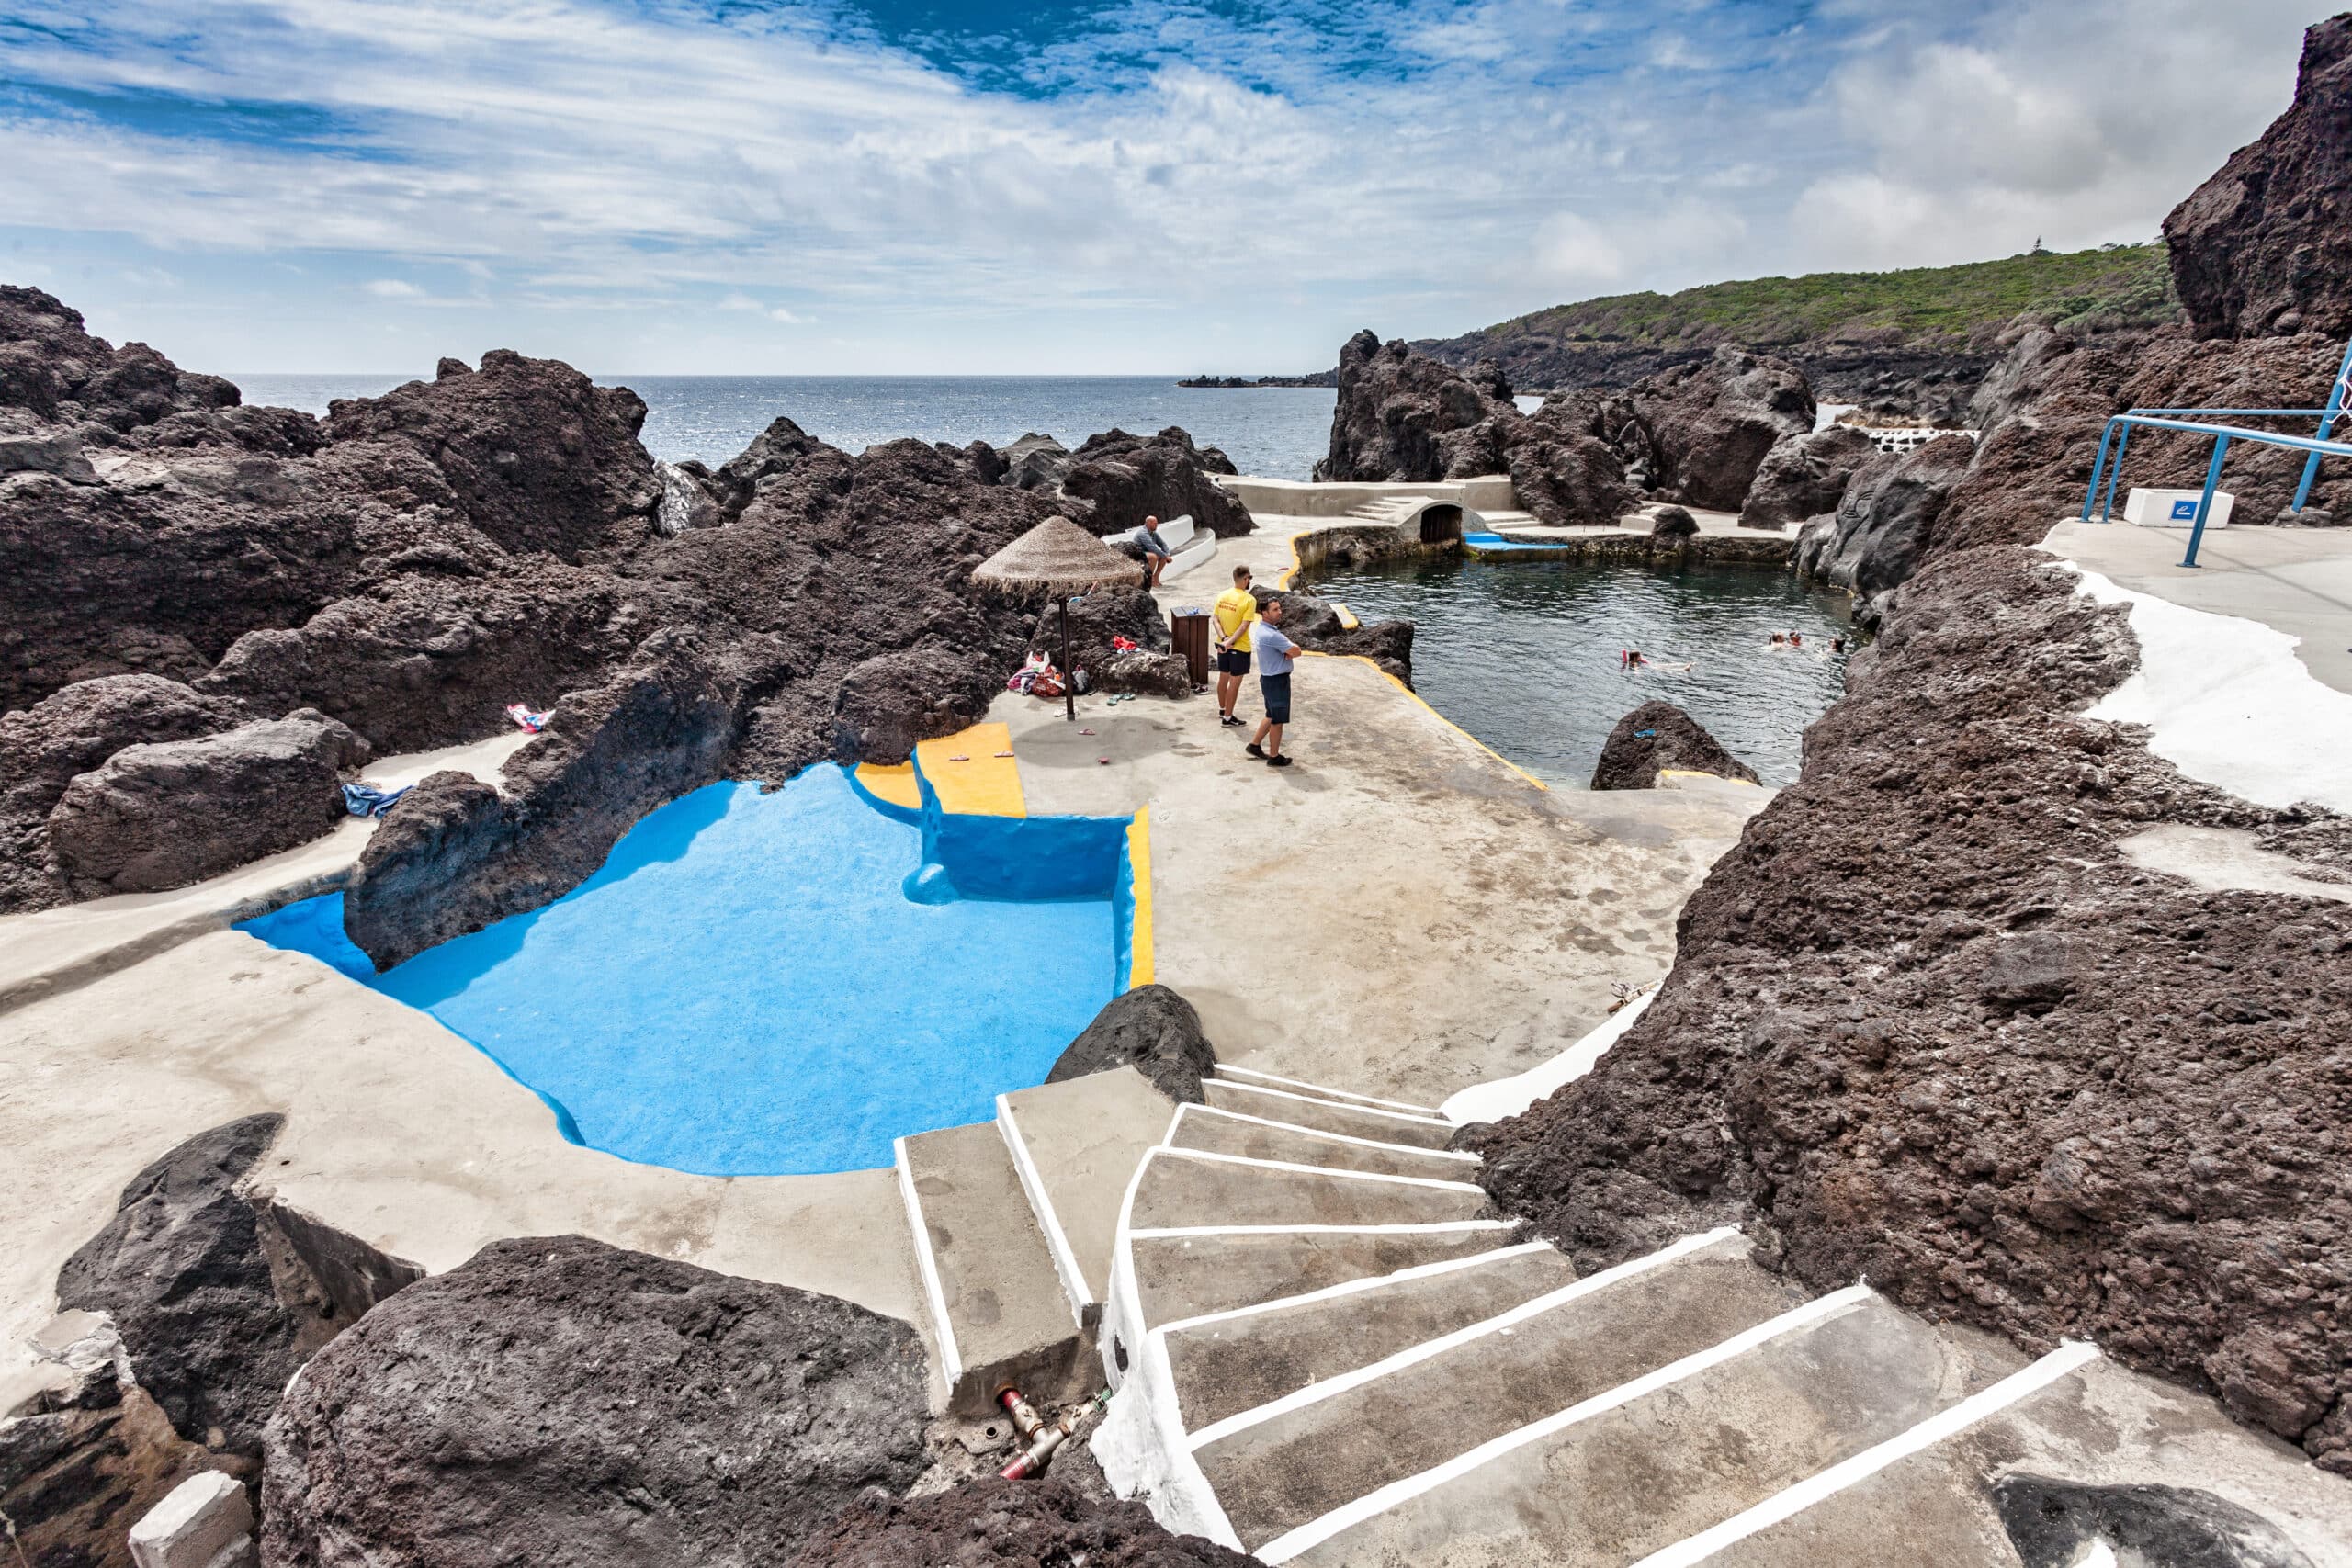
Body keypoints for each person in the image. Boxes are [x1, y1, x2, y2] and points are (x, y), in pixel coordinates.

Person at [1245, 595, 1300, 768]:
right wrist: (1289, 652)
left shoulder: (1262, 630)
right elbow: (1297, 651)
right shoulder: (1272, 635)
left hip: (1268, 679)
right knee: (1278, 720)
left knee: (1270, 715)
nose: (1280, 612)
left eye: (1279, 608)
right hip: (1277, 681)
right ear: (1264, 613)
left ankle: (1254, 745)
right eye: (1275, 609)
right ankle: (1274, 756)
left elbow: (1291, 650)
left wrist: (1287, 651)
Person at [1212, 565, 1257, 728]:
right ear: (1245, 579)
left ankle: (1223, 709)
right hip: (1240, 647)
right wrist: (1230, 642)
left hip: (1222, 645)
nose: (1250, 581)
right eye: (1249, 578)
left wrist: (1224, 639)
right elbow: (1244, 626)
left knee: (1223, 677)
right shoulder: (1249, 600)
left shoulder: (1222, 595)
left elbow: (1215, 619)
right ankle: (1228, 718)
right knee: (1234, 685)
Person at [1137, 514, 1174, 587]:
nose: (1157, 525)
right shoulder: (1143, 533)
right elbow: (1152, 548)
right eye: (1155, 523)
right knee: (1153, 557)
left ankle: (1156, 577)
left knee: (1163, 556)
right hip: (1138, 554)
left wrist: (1167, 554)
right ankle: (1149, 580)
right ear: (1149, 523)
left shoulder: (1153, 533)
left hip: (1147, 553)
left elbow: (1163, 544)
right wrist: (1166, 556)